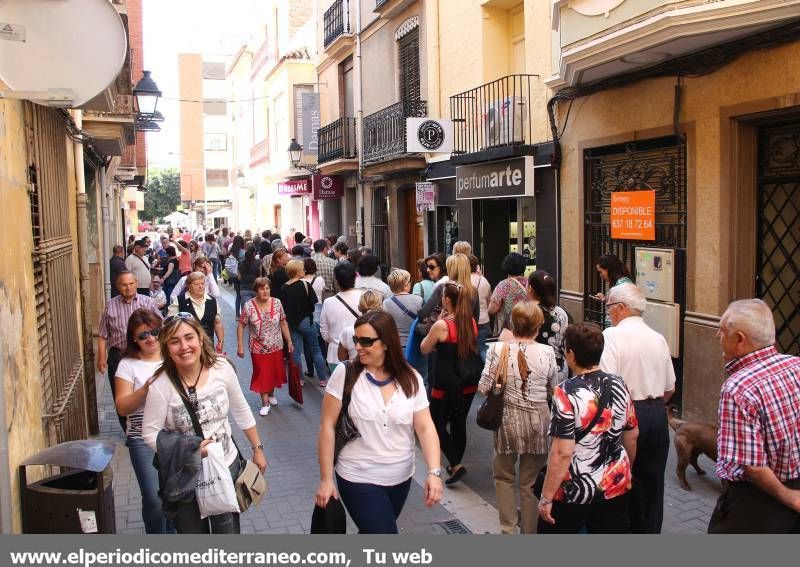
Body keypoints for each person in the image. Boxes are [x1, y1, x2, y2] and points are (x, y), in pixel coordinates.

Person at [315, 311, 443, 534]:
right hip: (357, 476)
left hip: (401, 477)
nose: (358, 347)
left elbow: (425, 426)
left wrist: (434, 471)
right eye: (356, 340)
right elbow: (327, 426)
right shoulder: (345, 374)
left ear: (386, 343)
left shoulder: (411, 378)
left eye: (366, 341)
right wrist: (326, 479)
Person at [142, 313, 267, 534]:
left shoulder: (222, 368)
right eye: (174, 341)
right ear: (166, 348)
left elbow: (241, 409)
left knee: (227, 533)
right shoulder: (160, 385)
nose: (184, 346)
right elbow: (150, 434)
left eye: (189, 337)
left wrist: (257, 448)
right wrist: (188, 449)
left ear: (200, 338)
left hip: (226, 466)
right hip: (184, 475)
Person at [708, 299, 800, 533]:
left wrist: (789, 497)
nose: (717, 336)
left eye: (722, 331)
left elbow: (752, 465)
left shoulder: (738, 388)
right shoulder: (796, 365)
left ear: (740, 339)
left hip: (760, 500)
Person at [537, 322, 639, 534]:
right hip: (615, 483)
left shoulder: (565, 393)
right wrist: (622, 469)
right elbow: (632, 435)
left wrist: (546, 497)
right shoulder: (619, 383)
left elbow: (561, 452)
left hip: (575, 489)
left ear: (571, 355)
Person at [599, 283, 675, 534]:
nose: (608, 312)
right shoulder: (658, 338)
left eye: (609, 306)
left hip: (627, 414)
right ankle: (650, 530)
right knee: (653, 483)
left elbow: (606, 384)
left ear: (621, 308)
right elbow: (669, 388)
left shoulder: (611, 335)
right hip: (656, 413)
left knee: (622, 478)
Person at [478, 301, 557, 534]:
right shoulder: (548, 352)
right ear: (538, 325)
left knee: (503, 477)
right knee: (530, 483)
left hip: (507, 423)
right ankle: (530, 533)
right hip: (538, 424)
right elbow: (555, 388)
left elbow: (483, 387)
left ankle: (508, 530)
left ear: (512, 323)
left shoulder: (497, 350)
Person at [114, 309, 173, 534]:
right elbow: (122, 406)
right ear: (134, 339)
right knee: (153, 499)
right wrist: (145, 390)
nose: (150, 338)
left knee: (176, 496)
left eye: (154, 332)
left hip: (175, 436)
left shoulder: (173, 356)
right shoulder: (127, 365)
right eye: (142, 335)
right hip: (141, 438)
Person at [420, 281, 479, 485]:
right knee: (459, 421)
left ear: (446, 300)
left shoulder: (442, 325)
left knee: (436, 422)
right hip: (468, 380)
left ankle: (455, 464)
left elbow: (424, 348)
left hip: (445, 382)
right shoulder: (470, 321)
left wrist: (438, 320)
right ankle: (456, 463)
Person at [97, 271, 163, 431]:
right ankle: (127, 428)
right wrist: (101, 357)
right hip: (118, 356)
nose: (128, 287)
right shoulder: (110, 305)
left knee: (148, 390)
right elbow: (103, 334)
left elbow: (161, 327)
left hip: (143, 354)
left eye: (131, 283)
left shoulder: (147, 302)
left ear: (136, 283)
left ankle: (150, 424)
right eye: (124, 284)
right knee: (120, 395)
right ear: (118, 287)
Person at [237, 277, 293, 416]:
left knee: (274, 372)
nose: (265, 291)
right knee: (262, 373)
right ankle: (265, 402)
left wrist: (289, 341)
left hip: (276, 345)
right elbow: (241, 325)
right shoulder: (249, 305)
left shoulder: (277, 302)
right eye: (262, 288)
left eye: (267, 288)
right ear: (256, 290)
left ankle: (271, 393)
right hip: (258, 347)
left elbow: (283, 322)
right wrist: (240, 346)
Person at [283, 259, 330, 387]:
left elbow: (284, 307)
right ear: (297, 271)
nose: (304, 270)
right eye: (302, 269)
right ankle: (322, 379)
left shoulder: (284, 287)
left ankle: (300, 379)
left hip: (292, 323)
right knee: (315, 349)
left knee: (296, 352)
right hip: (306, 321)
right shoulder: (305, 285)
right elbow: (313, 303)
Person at [320, 263, 363, 375]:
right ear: (355, 278)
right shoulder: (364, 297)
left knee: (338, 390)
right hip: (361, 353)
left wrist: (336, 340)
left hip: (335, 355)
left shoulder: (328, 302)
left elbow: (324, 333)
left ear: (337, 281)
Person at [528, 270, 569, 382]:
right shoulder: (561, 313)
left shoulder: (529, 312)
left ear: (530, 289)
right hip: (559, 368)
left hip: (536, 368)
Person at [168, 271, 225, 353]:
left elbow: (217, 323)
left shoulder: (212, 301)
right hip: (187, 348)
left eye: (202, 283)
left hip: (208, 348)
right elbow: (171, 323)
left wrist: (220, 341)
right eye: (196, 284)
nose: (201, 287)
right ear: (189, 286)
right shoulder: (179, 301)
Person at [383, 269, 423, 350]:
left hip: (396, 346)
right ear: (405, 285)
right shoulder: (419, 300)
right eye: (410, 281)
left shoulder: (386, 303)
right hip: (415, 344)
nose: (411, 283)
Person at [338, 290, 384, 361]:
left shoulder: (348, 332)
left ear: (359, 307)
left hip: (354, 371)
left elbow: (342, 359)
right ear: (381, 308)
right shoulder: (387, 331)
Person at [488, 252, 528, 332]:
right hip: (526, 327)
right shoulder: (529, 283)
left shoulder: (503, 285)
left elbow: (492, 309)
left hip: (508, 329)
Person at [469, 254, 492, 361]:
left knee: (470, 351)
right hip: (484, 319)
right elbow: (489, 301)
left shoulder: (465, 281)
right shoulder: (484, 281)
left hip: (470, 319)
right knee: (482, 348)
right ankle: (488, 370)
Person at [237, 245, 261, 317]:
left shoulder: (240, 263)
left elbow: (239, 277)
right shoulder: (258, 262)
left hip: (244, 288)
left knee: (246, 310)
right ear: (254, 253)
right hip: (255, 288)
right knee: (256, 310)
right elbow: (260, 276)